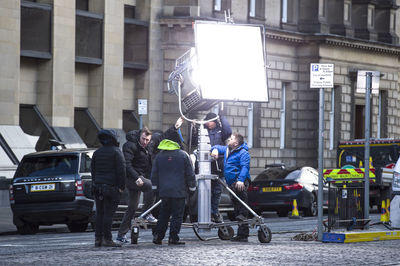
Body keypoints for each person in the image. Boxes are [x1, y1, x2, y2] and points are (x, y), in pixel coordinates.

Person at [151, 129, 196, 245]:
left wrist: (155, 189)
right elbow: (190, 174)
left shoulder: (159, 156)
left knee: (163, 214)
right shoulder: (183, 155)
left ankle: (158, 236)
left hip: (164, 192)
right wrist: (192, 188)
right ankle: (173, 237)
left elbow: (154, 174)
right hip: (179, 191)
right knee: (177, 215)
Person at [116, 127, 155, 243]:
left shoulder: (147, 146)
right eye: (143, 139)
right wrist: (136, 177)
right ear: (139, 136)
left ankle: (121, 235)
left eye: (147, 140)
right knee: (151, 187)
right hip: (132, 178)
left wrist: (175, 128)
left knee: (132, 208)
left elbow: (162, 137)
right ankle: (147, 213)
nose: (145, 142)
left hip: (140, 177)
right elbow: (127, 165)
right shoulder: (130, 145)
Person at [210, 132, 251, 242]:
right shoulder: (228, 150)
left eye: (231, 139)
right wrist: (214, 150)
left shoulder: (243, 153)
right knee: (237, 209)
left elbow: (245, 167)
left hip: (240, 182)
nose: (229, 140)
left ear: (236, 143)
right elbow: (216, 147)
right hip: (232, 183)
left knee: (242, 206)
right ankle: (241, 235)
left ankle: (244, 234)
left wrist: (241, 180)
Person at [91, 129, 126, 247]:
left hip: (98, 188)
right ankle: (107, 239)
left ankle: (98, 239)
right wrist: (121, 187)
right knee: (108, 215)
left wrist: (96, 183)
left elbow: (93, 171)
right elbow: (121, 171)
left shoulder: (97, 153)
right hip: (111, 188)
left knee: (100, 214)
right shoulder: (117, 152)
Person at [204, 111, 232, 223]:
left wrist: (222, 116)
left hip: (218, 166)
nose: (208, 124)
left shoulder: (221, 131)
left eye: (210, 121)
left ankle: (214, 212)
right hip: (206, 166)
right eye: (207, 122)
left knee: (217, 191)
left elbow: (228, 131)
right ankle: (207, 212)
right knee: (206, 191)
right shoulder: (203, 131)